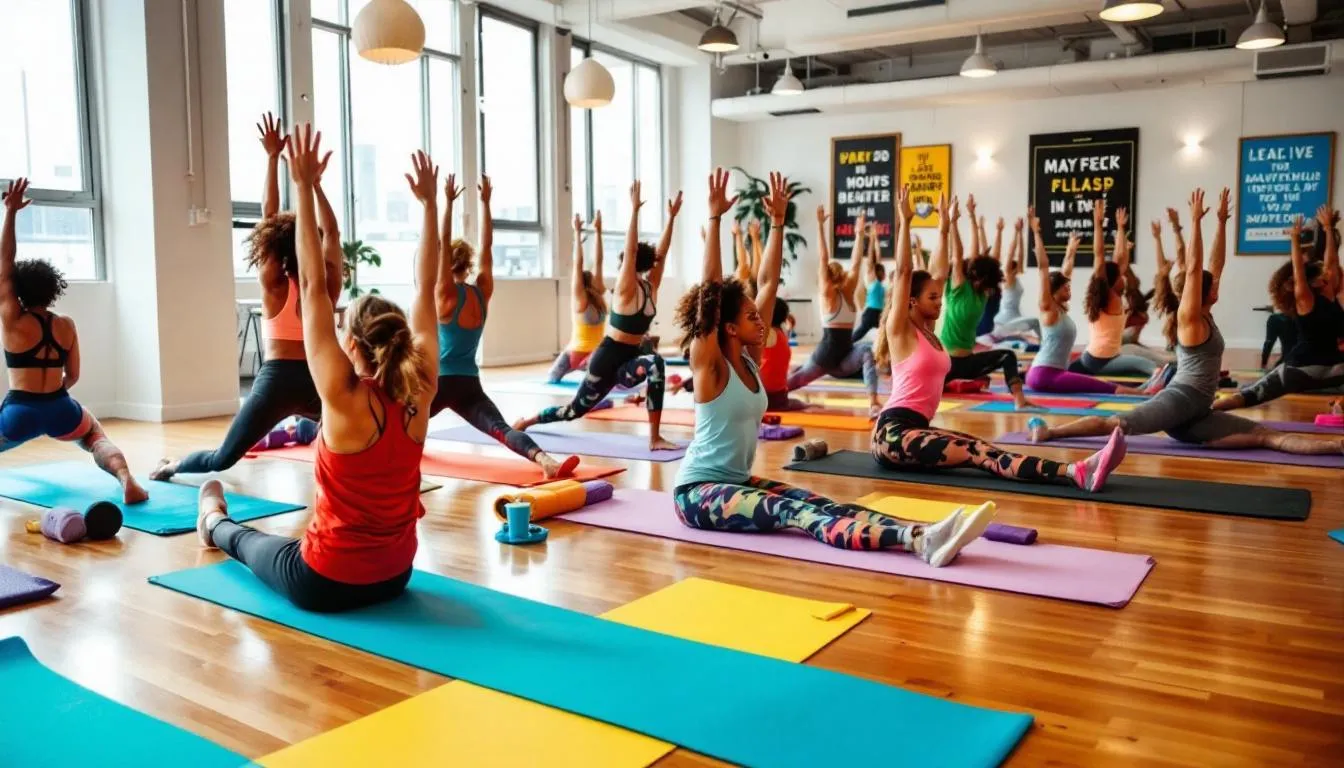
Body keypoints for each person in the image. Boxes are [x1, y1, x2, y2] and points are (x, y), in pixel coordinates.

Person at [671, 169, 992, 567]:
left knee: (822, 502)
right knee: (798, 513)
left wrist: (776, 222)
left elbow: (768, 282)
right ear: (729, 327)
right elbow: (710, 294)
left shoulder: (750, 362)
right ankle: (916, 540)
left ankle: (927, 529)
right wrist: (716, 218)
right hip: (697, 492)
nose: (761, 320)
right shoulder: (711, 369)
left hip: (735, 482)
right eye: (751, 317)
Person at [195, 129, 440, 612]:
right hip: (397, 575)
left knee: (244, 542)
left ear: (350, 343)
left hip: (326, 583)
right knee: (269, 543)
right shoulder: (422, 389)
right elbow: (427, 288)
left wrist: (303, 187)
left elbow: (311, 286)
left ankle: (211, 522)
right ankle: (216, 522)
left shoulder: (343, 397)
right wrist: (431, 207)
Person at [1032, 189, 1344, 456]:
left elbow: (1214, 266)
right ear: (1201, 292)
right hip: (1177, 401)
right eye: (1213, 286)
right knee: (1115, 424)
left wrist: (1221, 223)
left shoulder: (1206, 311)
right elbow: (1195, 269)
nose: (1217, 287)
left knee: (1266, 435)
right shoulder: (1189, 317)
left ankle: (1337, 447)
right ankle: (1051, 433)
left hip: (1198, 414)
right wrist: (1194, 222)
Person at [872, 186, 1126, 492]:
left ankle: (1077, 469)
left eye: (940, 296)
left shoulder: (929, 332)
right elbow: (903, 273)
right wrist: (905, 221)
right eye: (932, 297)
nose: (940, 302)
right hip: (893, 433)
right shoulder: (900, 331)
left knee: (981, 446)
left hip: (915, 429)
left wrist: (944, 227)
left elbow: (939, 270)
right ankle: (1074, 471)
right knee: (979, 453)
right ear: (911, 301)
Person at [154, 113, 340, 480]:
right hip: (316, 376)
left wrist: (272, 159)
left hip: (286, 378)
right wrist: (315, 186)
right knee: (353, 435)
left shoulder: (273, 282)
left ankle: (173, 466)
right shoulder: (328, 283)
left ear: (273, 246)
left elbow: (268, 217)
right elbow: (331, 230)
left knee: (222, 458)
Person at [0, 178, 147, 504]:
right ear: (54, 288)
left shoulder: (14, 320)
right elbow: (74, 376)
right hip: (61, 408)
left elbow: (5, 264)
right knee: (95, 435)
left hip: (19, 412)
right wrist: (53, 399)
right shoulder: (66, 325)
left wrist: (10, 213)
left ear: (19, 290)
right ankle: (126, 479)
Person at [513, 182, 681, 451]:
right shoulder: (627, 288)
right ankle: (528, 421)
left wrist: (672, 219)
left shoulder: (651, 286)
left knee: (655, 363)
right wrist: (634, 211)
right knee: (573, 411)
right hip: (607, 358)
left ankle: (654, 438)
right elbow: (633, 251)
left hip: (629, 360)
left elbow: (661, 254)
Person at [430, 174, 578, 479]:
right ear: (468, 266)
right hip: (469, 383)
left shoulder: (444, 296)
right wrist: (486, 204)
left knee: (398, 423)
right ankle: (545, 461)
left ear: (446, 266)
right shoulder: (481, 293)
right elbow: (487, 246)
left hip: (438, 384)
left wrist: (446, 203)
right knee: (502, 429)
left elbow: (441, 245)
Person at [1214, 205, 1344, 411]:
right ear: (1314, 283)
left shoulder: (1325, 296)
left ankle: (1210, 409)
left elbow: (1331, 263)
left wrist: (1327, 229)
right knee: (1250, 393)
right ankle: (1210, 409)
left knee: (1251, 394)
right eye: (1321, 274)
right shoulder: (1309, 299)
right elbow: (1300, 272)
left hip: (1306, 369)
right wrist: (1298, 238)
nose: (1327, 273)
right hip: (1321, 369)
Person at [933, 195, 1036, 410]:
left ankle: (1019, 400)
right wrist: (956, 221)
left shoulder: (979, 293)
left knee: (1008, 355)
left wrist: (962, 219)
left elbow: (978, 256)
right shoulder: (962, 290)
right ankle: (960, 386)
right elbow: (961, 255)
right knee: (930, 387)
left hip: (966, 362)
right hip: (947, 365)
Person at [1025, 219, 1143, 395]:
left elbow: (1066, 271)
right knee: (1099, 386)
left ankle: (1142, 391)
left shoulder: (1060, 309)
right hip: (1045, 374)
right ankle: (1144, 394)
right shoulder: (1048, 308)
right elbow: (1043, 267)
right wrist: (1036, 232)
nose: (1069, 287)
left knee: (1095, 383)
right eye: (1065, 287)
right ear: (1053, 291)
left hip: (1052, 372)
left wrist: (1071, 251)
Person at [785, 207, 881, 417]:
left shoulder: (847, 293)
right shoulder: (827, 295)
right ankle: (761, 394)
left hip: (844, 358)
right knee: (787, 386)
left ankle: (874, 403)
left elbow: (856, 264)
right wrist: (820, 226)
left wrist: (859, 234)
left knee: (866, 351)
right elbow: (824, 259)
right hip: (825, 358)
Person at [1067, 199, 1158, 379]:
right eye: (1120, 277)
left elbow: (1120, 260)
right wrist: (1098, 225)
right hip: (1101, 360)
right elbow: (1100, 254)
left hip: (1095, 357)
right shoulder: (1109, 296)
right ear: (1113, 280)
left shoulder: (1108, 294)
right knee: (1148, 366)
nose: (1124, 278)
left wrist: (1121, 230)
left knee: (1138, 368)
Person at [547, 212, 607, 383]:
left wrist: (577, 233)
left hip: (576, 354)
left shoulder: (580, 300)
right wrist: (598, 232)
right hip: (597, 356)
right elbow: (599, 261)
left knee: (551, 379)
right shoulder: (600, 297)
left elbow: (577, 265)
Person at [988, 218, 1042, 342]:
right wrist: (1016, 232)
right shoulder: (1008, 279)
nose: (1019, 266)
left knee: (1029, 333)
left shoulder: (1015, 278)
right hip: (1005, 321)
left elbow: (1020, 256)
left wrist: (1021, 234)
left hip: (1014, 319)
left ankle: (1039, 344)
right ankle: (1044, 344)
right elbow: (1011, 254)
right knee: (1035, 323)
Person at [851, 225, 887, 341]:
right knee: (858, 334)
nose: (884, 273)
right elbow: (871, 258)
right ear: (878, 272)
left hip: (879, 313)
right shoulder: (873, 278)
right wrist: (871, 239)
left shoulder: (880, 283)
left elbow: (879, 255)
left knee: (886, 333)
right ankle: (847, 346)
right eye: (882, 272)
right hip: (870, 312)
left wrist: (876, 238)